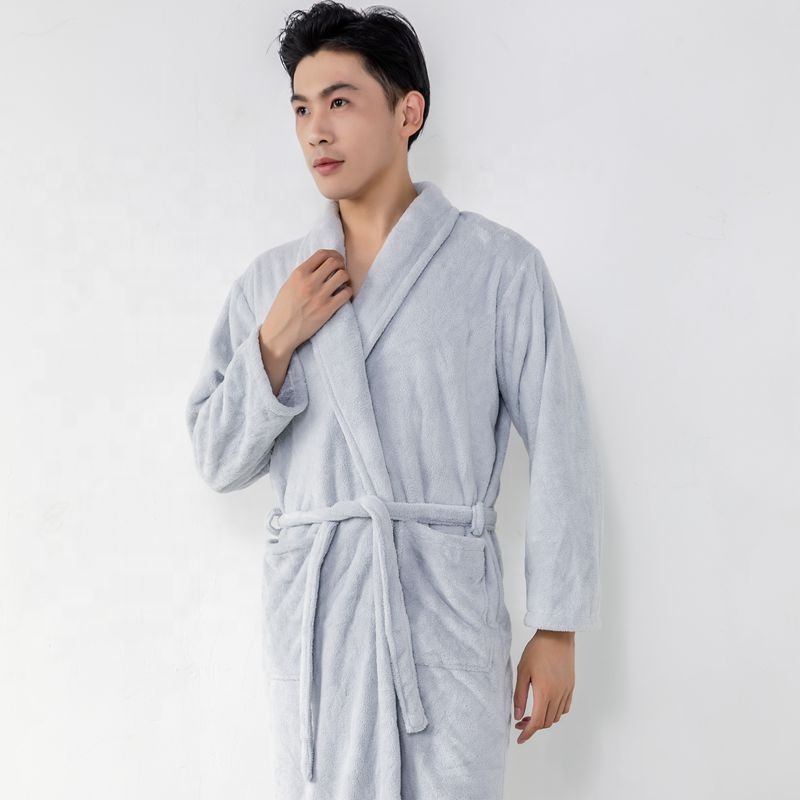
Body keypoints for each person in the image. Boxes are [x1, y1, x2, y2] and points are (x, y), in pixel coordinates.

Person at [185, 2, 603, 798]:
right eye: (301, 109)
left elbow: (561, 442)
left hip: (442, 611)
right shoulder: (271, 285)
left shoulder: (498, 268)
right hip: (320, 625)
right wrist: (274, 343)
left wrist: (557, 626)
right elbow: (216, 458)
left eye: (340, 101)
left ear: (408, 112)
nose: (316, 131)